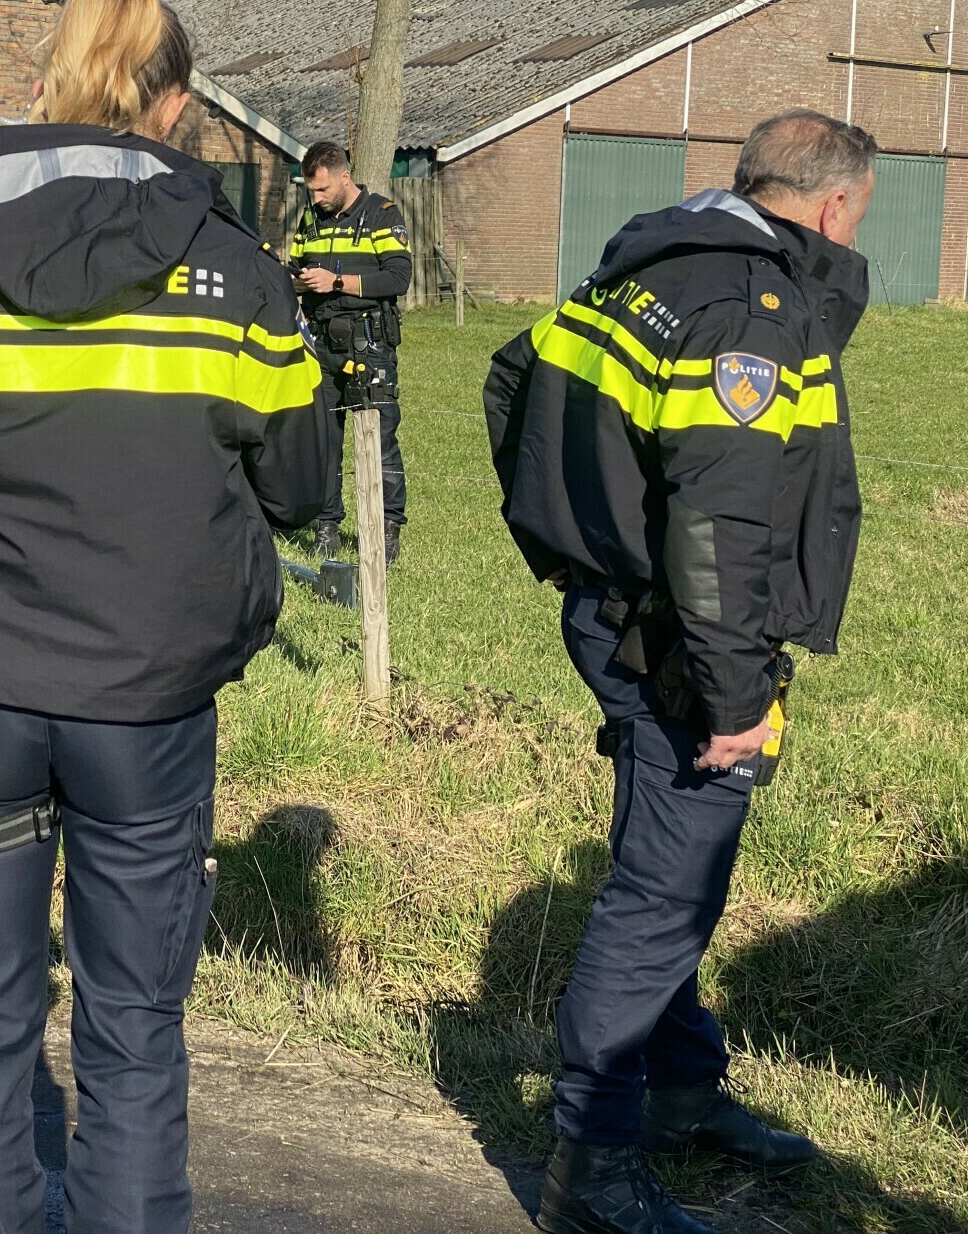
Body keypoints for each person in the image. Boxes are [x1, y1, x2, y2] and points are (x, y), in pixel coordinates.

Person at [0, 0, 330, 1234]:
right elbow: (302, 483)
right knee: (134, 1028)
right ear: (173, 105)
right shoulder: (235, 275)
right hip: (145, 708)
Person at [483, 109, 874, 1234]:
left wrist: (571, 541)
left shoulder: (642, 264)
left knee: (668, 858)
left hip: (618, 616)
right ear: (838, 205)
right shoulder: (750, 310)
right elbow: (719, 524)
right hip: (684, 647)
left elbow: (508, 384)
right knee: (663, 893)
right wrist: (737, 695)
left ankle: (682, 1092)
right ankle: (590, 1168)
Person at [289, 139, 412, 561]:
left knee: (378, 435)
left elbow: (398, 278)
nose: (316, 197)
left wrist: (338, 282)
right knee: (322, 438)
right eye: (311, 190)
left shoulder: (382, 215)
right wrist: (299, 283)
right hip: (319, 342)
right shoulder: (309, 219)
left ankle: (387, 528)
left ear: (345, 178)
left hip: (368, 341)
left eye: (322, 189)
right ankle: (326, 526)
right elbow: (294, 271)